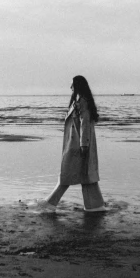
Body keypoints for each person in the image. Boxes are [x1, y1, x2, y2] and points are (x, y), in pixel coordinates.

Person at [40, 75, 106, 212]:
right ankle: (95, 206)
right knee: (85, 175)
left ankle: (51, 203)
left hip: (78, 145)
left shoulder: (82, 102)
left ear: (78, 86)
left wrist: (84, 145)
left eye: (72, 85)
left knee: (70, 174)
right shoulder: (80, 101)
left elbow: (85, 124)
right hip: (76, 143)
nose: (70, 87)